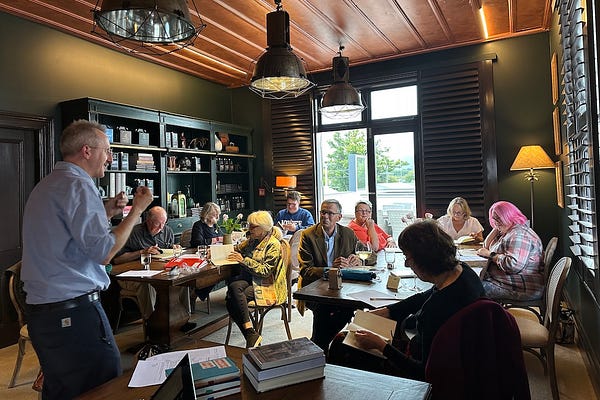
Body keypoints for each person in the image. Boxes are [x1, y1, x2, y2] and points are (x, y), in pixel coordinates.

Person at [21, 119, 154, 399]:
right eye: (107, 150)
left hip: (44, 313)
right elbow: (104, 251)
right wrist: (136, 211)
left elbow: (67, 234)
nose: (110, 157)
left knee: (63, 389)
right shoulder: (79, 186)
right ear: (87, 151)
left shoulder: (47, 185)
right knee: (103, 384)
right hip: (73, 311)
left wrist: (105, 211)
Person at [328, 220, 485, 381]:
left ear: (423, 260)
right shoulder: (463, 272)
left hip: (428, 374)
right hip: (469, 357)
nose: (406, 263)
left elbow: (423, 373)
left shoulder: (434, 311)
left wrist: (381, 346)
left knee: (341, 343)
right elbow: (426, 295)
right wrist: (387, 311)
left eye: (407, 258)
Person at [298, 199, 375, 352]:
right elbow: (305, 271)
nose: (325, 216)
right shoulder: (308, 235)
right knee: (324, 309)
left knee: (347, 307)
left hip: (343, 288)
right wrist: (330, 269)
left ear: (339, 217)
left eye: (330, 213)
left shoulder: (347, 233)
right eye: (323, 212)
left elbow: (371, 256)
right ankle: (321, 346)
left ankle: (319, 345)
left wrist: (359, 259)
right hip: (315, 289)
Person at [224, 211, 287, 348]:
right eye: (249, 225)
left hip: (268, 283)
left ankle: (250, 334)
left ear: (263, 228)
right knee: (234, 288)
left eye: (252, 227)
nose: (249, 229)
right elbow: (236, 248)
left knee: (232, 297)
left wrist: (244, 260)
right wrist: (216, 252)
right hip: (252, 278)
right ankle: (250, 333)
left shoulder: (273, 244)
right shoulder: (253, 240)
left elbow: (265, 271)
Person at [112, 206, 174, 320]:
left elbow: (170, 253)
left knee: (180, 280)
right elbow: (117, 259)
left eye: (164, 223)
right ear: (148, 221)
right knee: (148, 284)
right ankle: (151, 321)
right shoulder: (133, 233)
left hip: (158, 271)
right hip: (131, 275)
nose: (161, 227)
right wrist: (142, 252)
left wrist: (175, 249)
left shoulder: (167, 231)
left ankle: (182, 317)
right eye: (157, 224)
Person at [476, 201, 544, 301]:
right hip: (509, 282)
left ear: (509, 216)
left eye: (499, 218)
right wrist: (497, 226)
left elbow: (513, 266)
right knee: (470, 284)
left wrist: (491, 255)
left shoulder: (518, 234)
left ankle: (485, 311)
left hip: (522, 288)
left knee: (470, 288)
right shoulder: (509, 230)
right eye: (494, 219)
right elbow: (486, 246)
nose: (495, 222)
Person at [190, 202, 223, 302]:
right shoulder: (198, 225)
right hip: (201, 256)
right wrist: (216, 240)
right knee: (214, 273)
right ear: (207, 214)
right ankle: (195, 294)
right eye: (215, 214)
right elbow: (197, 242)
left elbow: (222, 238)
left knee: (223, 271)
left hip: (214, 255)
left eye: (218, 214)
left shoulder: (215, 226)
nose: (217, 217)